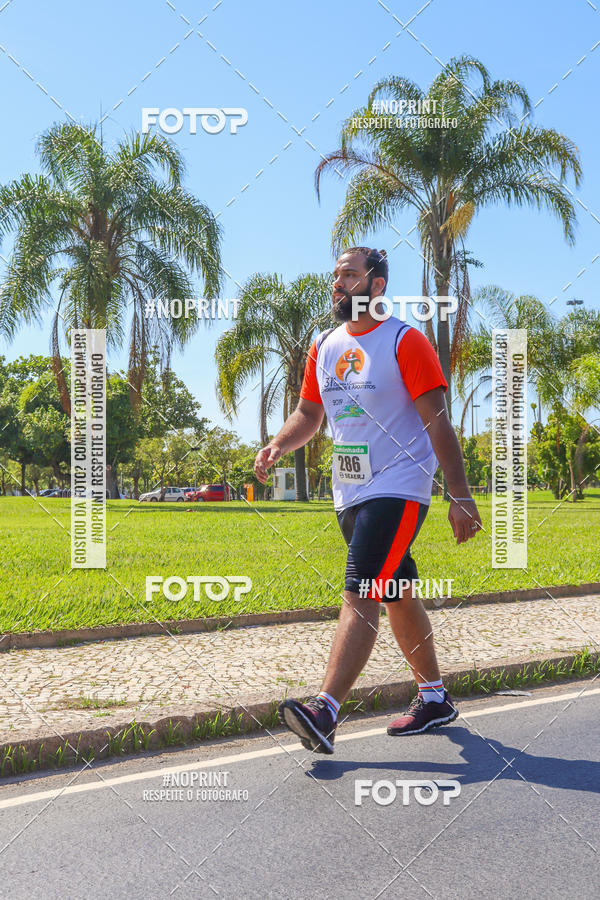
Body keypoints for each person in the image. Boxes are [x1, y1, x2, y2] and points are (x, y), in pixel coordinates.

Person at [254, 247, 482, 754]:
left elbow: (436, 421)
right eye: (335, 275)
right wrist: (278, 443)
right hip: (349, 491)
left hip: (399, 486)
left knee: (362, 585)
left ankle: (325, 711)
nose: (338, 284)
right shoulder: (324, 345)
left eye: (349, 276)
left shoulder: (405, 341)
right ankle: (435, 698)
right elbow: (309, 415)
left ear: (376, 286)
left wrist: (460, 494)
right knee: (396, 588)